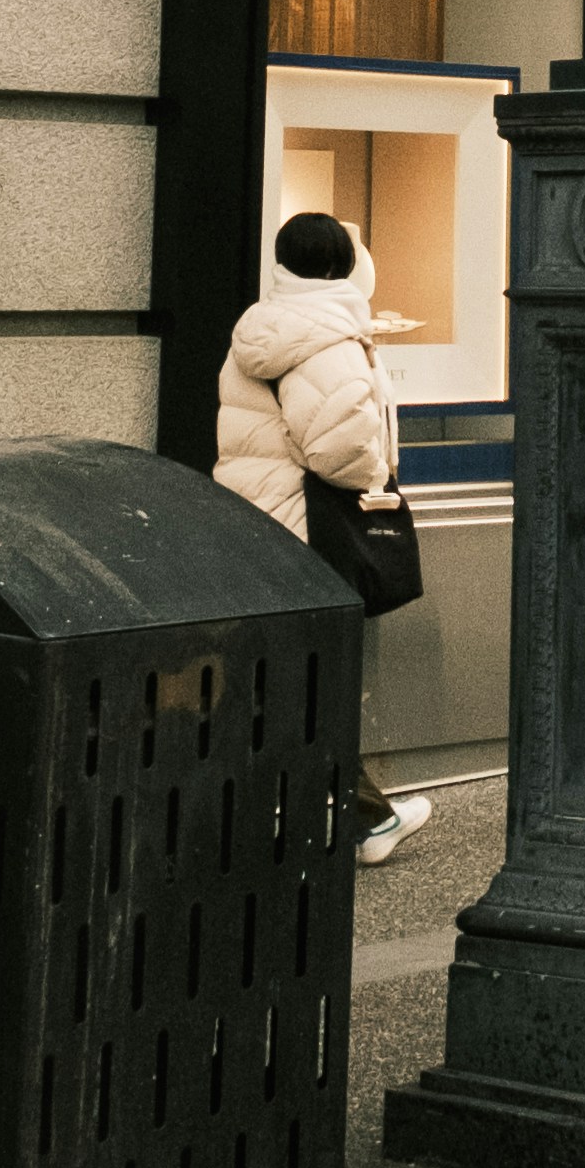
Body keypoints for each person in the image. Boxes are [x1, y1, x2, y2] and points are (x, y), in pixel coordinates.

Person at [218, 208, 432, 863]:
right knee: (315, 681)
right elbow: (338, 450)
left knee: (286, 676)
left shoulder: (261, 329)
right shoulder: (331, 338)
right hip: (310, 529)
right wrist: (379, 475)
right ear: (343, 266)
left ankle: (337, 812)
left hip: (257, 519)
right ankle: (363, 820)